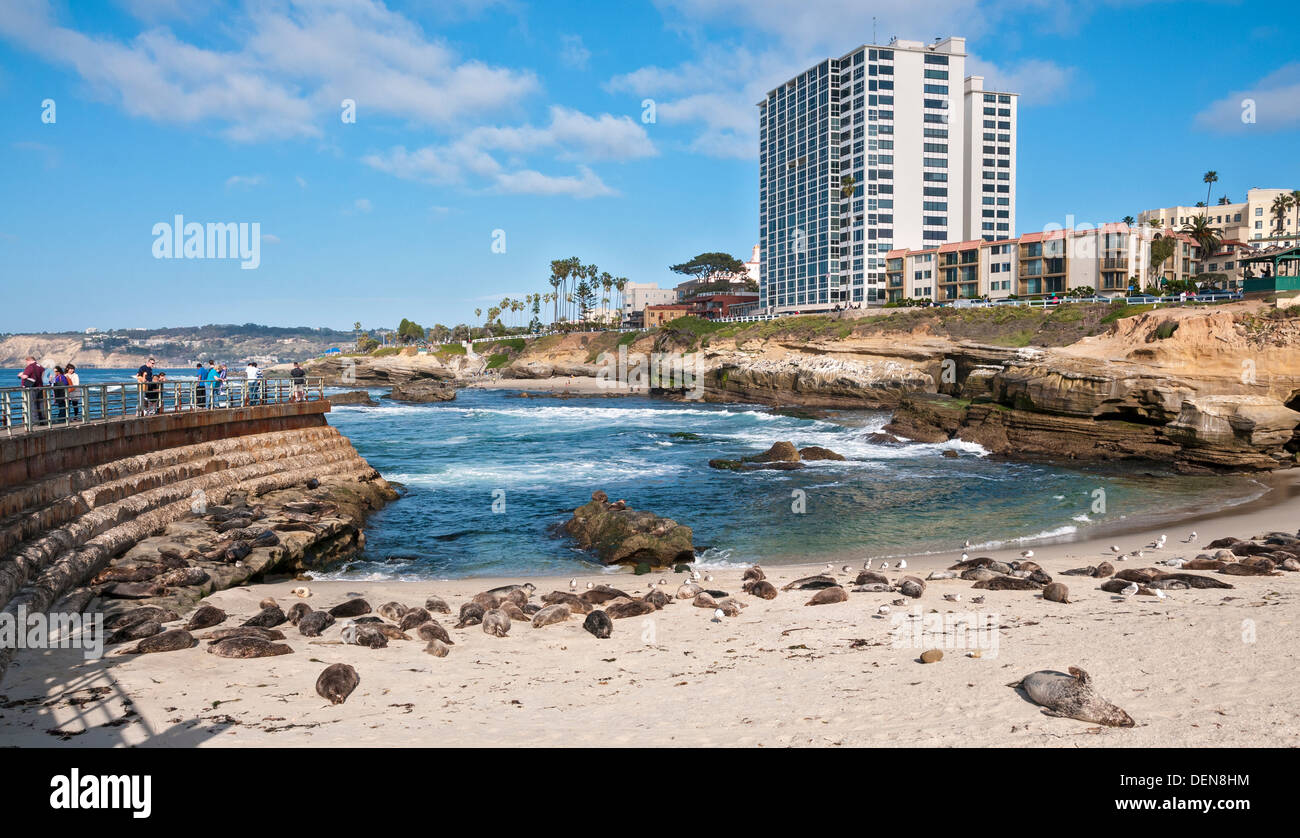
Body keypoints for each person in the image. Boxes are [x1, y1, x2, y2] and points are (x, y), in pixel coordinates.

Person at [18, 355, 46, 426]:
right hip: (40, 387)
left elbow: (25, 376)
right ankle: (42, 420)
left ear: (28, 360)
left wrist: (20, 375)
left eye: (26, 362)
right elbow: (44, 377)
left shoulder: (30, 367)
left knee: (32, 404)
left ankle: (35, 422)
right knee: (41, 404)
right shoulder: (40, 367)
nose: (26, 364)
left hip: (32, 388)